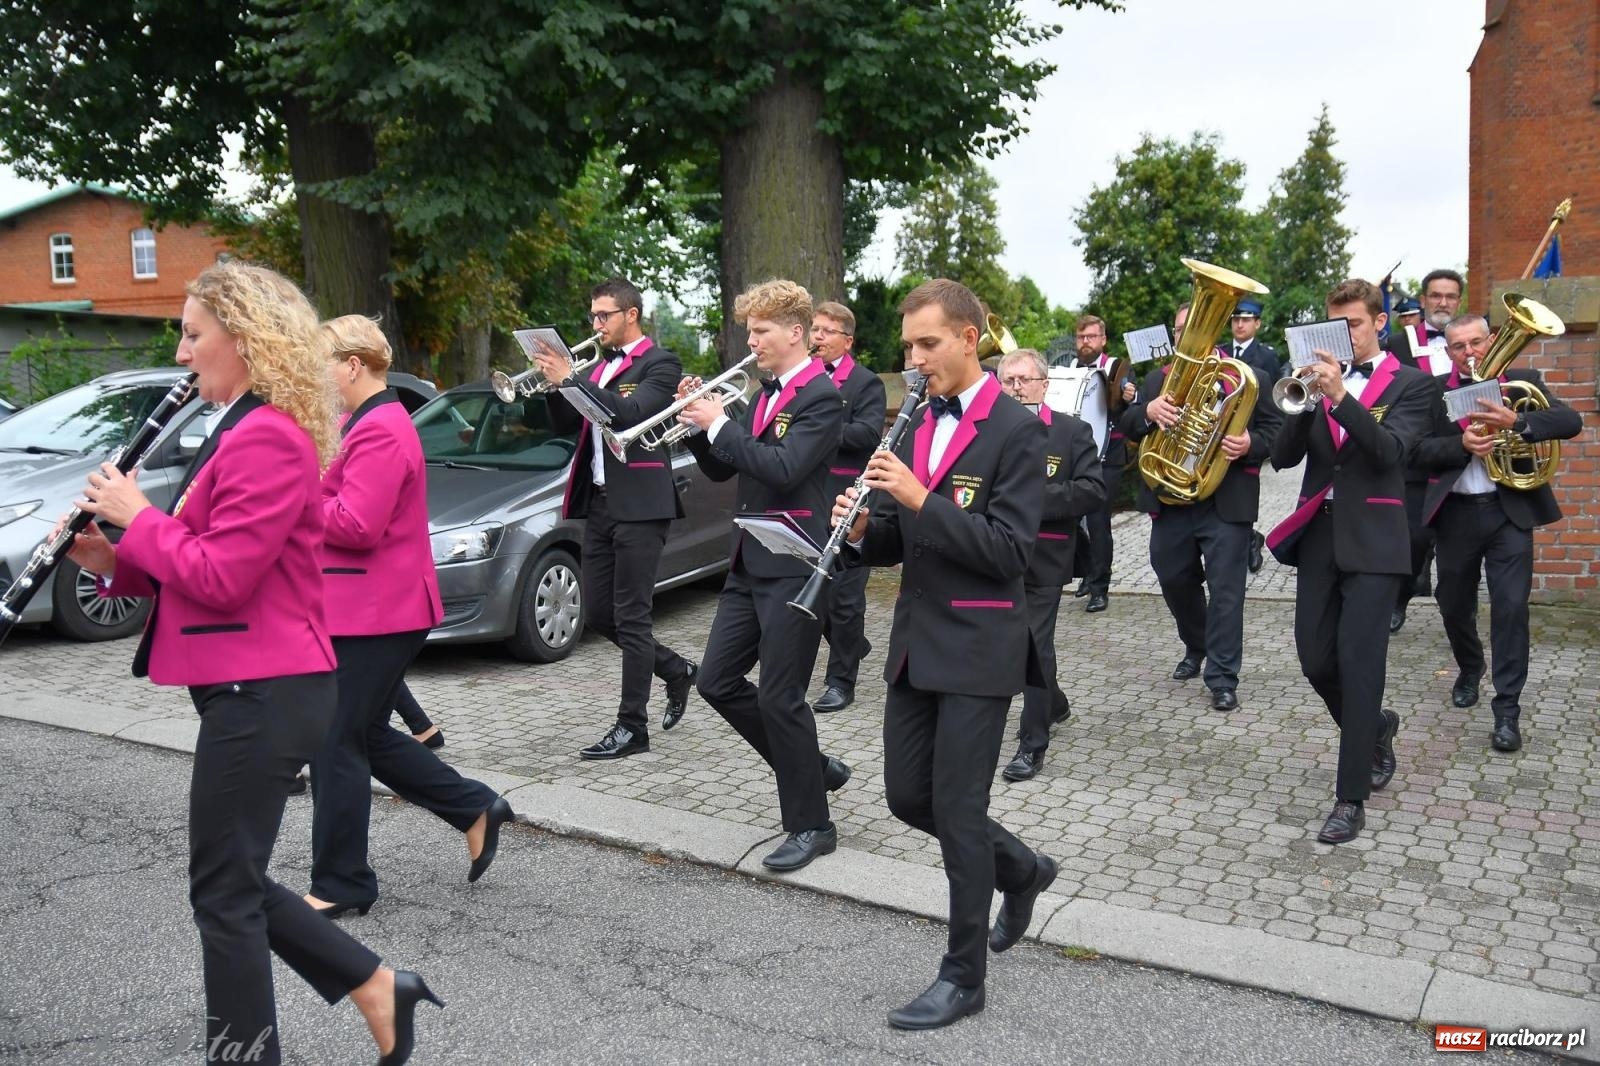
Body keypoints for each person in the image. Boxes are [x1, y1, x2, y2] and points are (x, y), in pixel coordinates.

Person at [68, 263, 440, 1066]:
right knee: (231, 878)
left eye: (193, 334)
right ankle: (378, 986)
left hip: (268, 689)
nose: (180, 353)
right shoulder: (240, 427)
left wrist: (140, 516)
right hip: (251, 686)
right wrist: (112, 551)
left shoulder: (268, 434)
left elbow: (224, 575)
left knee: (223, 894)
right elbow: (199, 559)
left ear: (244, 340)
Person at [834, 278, 1055, 1030]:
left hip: (982, 643)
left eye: (928, 343)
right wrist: (868, 533)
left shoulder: (1018, 430)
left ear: (970, 337)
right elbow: (910, 539)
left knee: (959, 812)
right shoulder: (919, 417)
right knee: (908, 798)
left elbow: (1009, 551)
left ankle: (964, 978)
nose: (916, 359)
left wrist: (921, 498)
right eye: (908, 347)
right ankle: (1022, 869)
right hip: (917, 643)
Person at [306, 315, 513, 919]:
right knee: (361, 733)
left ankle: (343, 883)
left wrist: (297, 493)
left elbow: (355, 525)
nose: (316, 377)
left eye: (323, 364)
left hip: (379, 610)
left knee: (334, 739)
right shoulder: (362, 422)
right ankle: (473, 807)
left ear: (351, 365)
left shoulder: (381, 429)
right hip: (366, 607)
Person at [677, 279, 850, 872]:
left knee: (781, 697)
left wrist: (721, 423)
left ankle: (812, 824)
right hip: (750, 559)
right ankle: (812, 767)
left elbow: (782, 467)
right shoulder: (763, 394)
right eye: (749, 330)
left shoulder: (822, 396)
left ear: (796, 333)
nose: (750, 343)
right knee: (716, 682)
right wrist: (704, 427)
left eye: (761, 332)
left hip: (796, 563)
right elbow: (729, 467)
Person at [1265, 278, 1434, 845]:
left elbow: (1387, 454)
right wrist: (1305, 400)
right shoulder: (1318, 387)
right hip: (1320, 536)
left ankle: (1350, 797)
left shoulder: (1412, 385)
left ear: (1379, 323)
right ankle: (1376, 729)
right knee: (1315, 661)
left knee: (1361, 667)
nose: (1343, 336)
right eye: (1334, 326)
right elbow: (1284, 458)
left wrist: (1342, 398)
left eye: (1354, 325)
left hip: (1377, 541)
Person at [535, 278, 699, 759]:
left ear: (631, 315)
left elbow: (630, 414)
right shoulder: (597, 367)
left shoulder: (660, 364)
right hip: (601, 502)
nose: (595, 324)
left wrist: (573, 378)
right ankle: (675, 670)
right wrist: (554, 385)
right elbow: (564, 425)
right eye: (592, 316)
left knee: (631, 614)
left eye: (603, 315)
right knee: (601, 612)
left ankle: (633, 727)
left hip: (643, 505)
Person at [1410, 312, 1582, 752]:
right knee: (1452, 604)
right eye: (1459, 346)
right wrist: (1459, 445)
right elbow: (1413, 452)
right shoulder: (1433, 390)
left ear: (1491, 341)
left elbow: (1569, 422)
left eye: (1477, 343)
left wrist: (1519, 424)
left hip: (1509, 513)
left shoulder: (1522, 380)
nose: (1470, 352)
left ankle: (1507, 711)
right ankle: (1471, 666)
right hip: (1457, 515)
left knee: (1509, 609)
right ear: (1447, 351)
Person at [1123, 301, 1282, 713]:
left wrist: (1251, 445)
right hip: (1172, 499)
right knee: (1173, 577)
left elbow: (1276, 432)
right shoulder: (1159, 379)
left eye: (1194, 329)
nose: (1186, 338)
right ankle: (1197, 645)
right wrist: (1146, 411)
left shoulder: (1250, 378)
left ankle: (1223, 677)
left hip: (1226, 502)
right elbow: (1125, 424)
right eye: (1180, 331)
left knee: (1227, 592)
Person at [994, 348, 1104, 781]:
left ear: (1045, 384)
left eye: (1025, 379)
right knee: (1011, 642)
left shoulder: (1071, 431)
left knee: (1034, 645)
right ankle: (1053, 701)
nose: (1017, 387)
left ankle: (1032, 742)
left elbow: (1093, 491)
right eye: (1009, 380)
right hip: (995, 552)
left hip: (1046, 555)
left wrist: (1033, 499)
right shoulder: (990, 431)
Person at [808, 301, 887, 714]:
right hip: (805, 498)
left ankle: (841, 681)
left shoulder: (865, 382)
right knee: (811, 591)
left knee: (845, 596)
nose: (816, 337)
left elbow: (869, 433)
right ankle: (852, 642)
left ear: (847, 340)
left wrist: (818, 428)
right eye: (814, 329)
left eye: (825, 331)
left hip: (847, 500)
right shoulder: (802, 378)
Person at [1068, 314, 1136, 613]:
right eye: (1082, 338)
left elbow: (1131, 397)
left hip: (1108, 456)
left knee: (1098, 523)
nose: (1086, 343)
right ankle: (1086, 574)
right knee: (1075, 520)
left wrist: (1131, 395)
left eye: (1091, 337)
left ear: (1103, 339)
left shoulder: (1116, 366)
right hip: (1077, 456)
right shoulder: (1069, 368)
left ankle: (1100, 588)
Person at [1226, 297, 1282, 574]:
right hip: (1221, 436)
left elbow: (1271, 403)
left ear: (1257, 324)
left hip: (1250, 437)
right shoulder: (1221, 352)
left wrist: (1259, 443)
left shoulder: (1267, 356)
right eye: (1236, 319)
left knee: (1242, 491)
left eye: (1246, 319)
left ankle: (1247, 538)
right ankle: (1250, 538)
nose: (1239, 324)